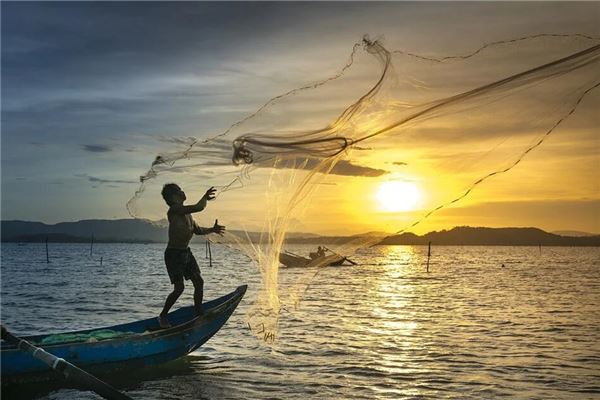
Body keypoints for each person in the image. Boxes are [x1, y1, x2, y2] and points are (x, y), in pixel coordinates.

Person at [158, 183, 225, 329]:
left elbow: (198, 230)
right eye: (179, 190)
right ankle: (163, 316)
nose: (183, 191)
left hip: (185, 252)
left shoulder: (188, 214)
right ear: (174, 197)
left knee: (199, 282)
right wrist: (205, 197)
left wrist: (212, 229)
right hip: (173, 254)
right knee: (179, 288)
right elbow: (198, 207)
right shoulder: (174, 210)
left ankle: (198, 312)